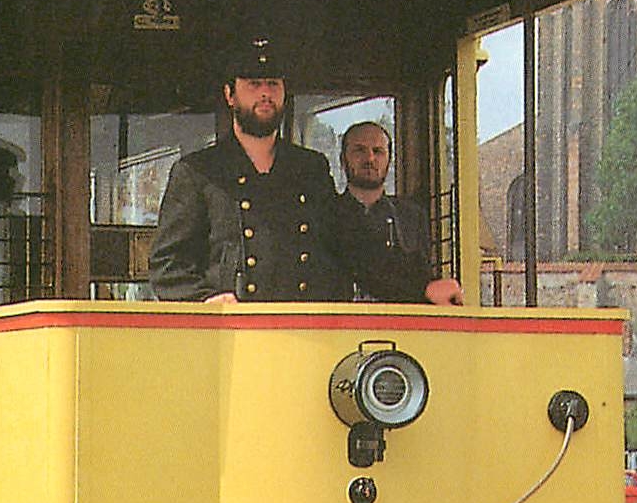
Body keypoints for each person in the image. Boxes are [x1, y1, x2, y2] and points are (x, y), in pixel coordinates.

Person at [149, 38, 352, 302]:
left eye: (273, 84)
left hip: (303, 330)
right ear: (230, 95)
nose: (265, 94)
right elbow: (167, 264)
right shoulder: (198, 172)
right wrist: (205, 299)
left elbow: (346, 246)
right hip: (232, 333)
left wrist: (421, 286)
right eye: (254, 85)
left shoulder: (311, 168)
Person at [338, 120, 464, 306]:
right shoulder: (328, 214)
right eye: (359, 150)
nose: (370, 158)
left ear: (389, 159)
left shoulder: (411, 217)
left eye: (378, 151)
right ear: (343, 159)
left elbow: (422, 273)